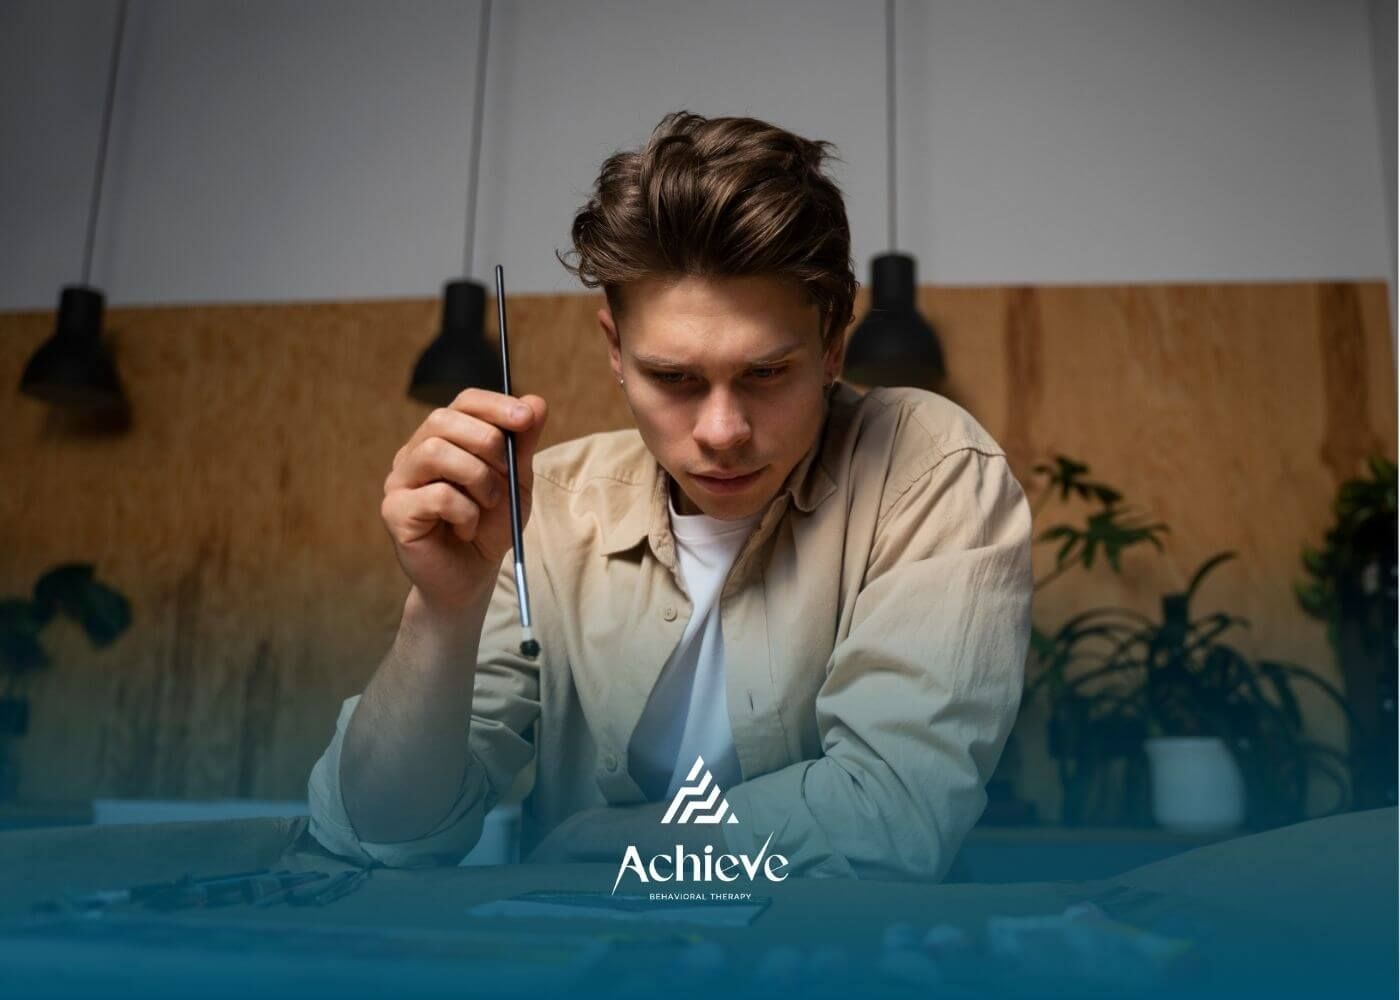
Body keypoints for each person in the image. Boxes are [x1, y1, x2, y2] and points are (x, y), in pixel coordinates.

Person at [307, 111, 1033, 881]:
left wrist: (608, 842)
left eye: (765, 373)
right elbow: (382, 836)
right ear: (616, 351)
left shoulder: (930, 470)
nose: (722, 431)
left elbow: (891, 812)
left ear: (832, 345)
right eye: (675, 379)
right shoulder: (542, 507)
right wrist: (442, 612)